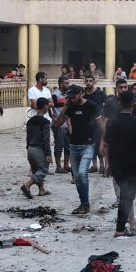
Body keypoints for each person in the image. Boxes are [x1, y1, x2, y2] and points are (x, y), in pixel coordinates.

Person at [102, 90, 136, 237]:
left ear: (119, 103)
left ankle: (131, 224)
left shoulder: (112, 121)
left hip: (116, 163)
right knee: (127, 197)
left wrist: (108, 163)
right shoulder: (135, 122)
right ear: (133, 103)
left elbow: (107, 145)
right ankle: (120, 229)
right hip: (130, 164)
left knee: (126, 195)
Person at [52, 85, 97, 215]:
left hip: (88, 144)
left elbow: (101, 123)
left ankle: (85, 203)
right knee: (77, 176)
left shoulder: (91, 105)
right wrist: (65, 107)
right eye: (69, 97)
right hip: (74, 145)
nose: (71, 99)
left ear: (81, 94)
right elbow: (58, 123)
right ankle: (83, 203)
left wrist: (102, 143)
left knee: (82, 173)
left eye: (73, 96)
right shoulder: (70, 106)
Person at [21, 97, 53, 199]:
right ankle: (27, 185)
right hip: (39, 149)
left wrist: (28, 149)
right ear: (45, 106)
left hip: (30, 148)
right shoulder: (45, 122)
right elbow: (46, 140)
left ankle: (41, 190)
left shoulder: (30, 121)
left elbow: (27, 137)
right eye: (48, 105)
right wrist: (48, 154)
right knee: (43, 170)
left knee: (36, 171)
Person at [83, 75, 107, 172]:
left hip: (99, 122)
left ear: (94, 82)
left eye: (90, 81)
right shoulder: (83, 95)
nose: (89, 82)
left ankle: (102, 165)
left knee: (99, 143)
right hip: (87, 123)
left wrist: (104, 117)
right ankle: (94, 165)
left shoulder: (100, 94)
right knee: (90, 144)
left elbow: (107, 105)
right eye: (87, 81)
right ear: (85, 82)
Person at [51, 75, 71, 173]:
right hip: (59, 125)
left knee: (68, 146)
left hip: (68, 124)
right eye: (66, 83)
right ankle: (58, 167)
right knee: (59, 146)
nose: (68, 85)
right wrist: (53, 117)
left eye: (68, 83)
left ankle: (66, 165)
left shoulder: (68, 95)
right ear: (60, 84)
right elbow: (49, 107)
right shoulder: (55, 95)